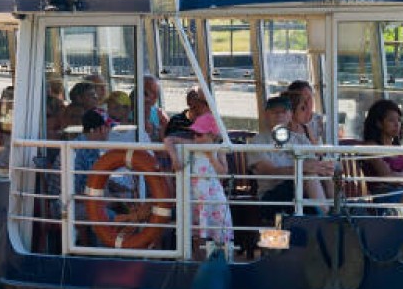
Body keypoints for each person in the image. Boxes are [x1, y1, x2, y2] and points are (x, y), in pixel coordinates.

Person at [248, 95, 334, 212]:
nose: (279, 115)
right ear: (266, 115)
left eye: (284, 111)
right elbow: (268, 171)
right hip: (271, 195)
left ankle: (340, 213)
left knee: (327, 173)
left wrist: (322, 167)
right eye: (274, 112)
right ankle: (326, 217)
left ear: (290, 115)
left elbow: (312, 161)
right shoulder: (257, 142)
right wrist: (300, 168)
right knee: (308, 175)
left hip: (300, 192)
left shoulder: (298, 139)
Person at [165, 111, 233, 248]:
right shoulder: (191, 144)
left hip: (213, 197)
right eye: (194, 134)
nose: (195, 137)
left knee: (218, 233)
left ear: (212, 135)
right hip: (195, 197)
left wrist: (211, 157)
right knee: (196, 235)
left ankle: (219, 261)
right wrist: (175, 159)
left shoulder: (219, 149)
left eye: (200, 134)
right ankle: (196, 262)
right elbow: (168, 140)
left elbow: (224, 173)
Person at [359, 99, 403, 198]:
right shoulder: (371, 146)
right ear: (379, 123)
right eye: (391, 120)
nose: (397, 124)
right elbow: (387, 176)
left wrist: (402, 177)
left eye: (399, 120)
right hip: (385, 196)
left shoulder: (396, 148)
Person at [141, 75, 167, 142]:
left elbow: (166, 140)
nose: (155, 96)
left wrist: (163, 126)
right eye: (145, 93)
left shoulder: (159, 114)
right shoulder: (128, 112)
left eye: (156, 93)